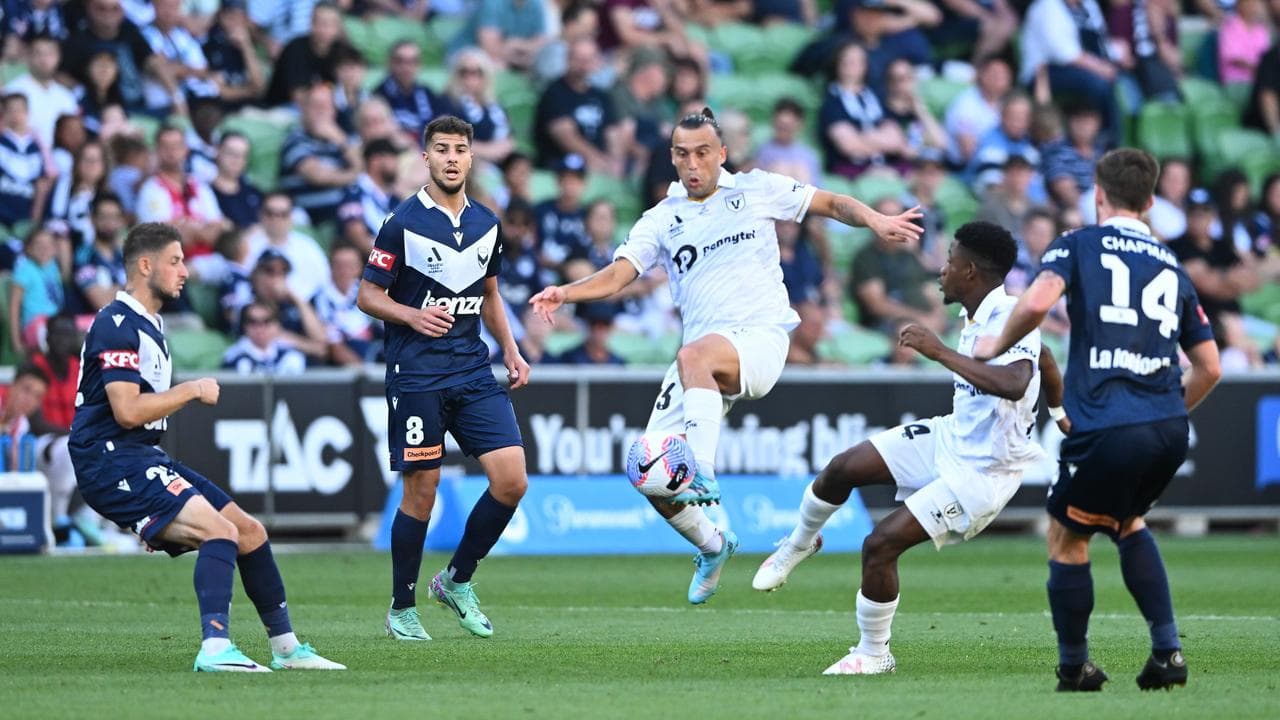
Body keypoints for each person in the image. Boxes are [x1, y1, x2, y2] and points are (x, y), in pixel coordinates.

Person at [529, 107, 923, 604]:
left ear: (721, 154)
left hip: (759, 337)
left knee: (691, 361)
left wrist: (874, 219)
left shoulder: (754, 190)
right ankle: (713, 546)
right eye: (682, 154)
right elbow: (618, 275)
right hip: (703, 359)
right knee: (648, 471)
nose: (692, 164)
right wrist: (565, 292)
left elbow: (830, 202)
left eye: (701, 153)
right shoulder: (662, 219)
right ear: (672, 158)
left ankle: (700, 467)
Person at [753, 221, 1066, 675]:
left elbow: (1017, 383)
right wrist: (1060, 415)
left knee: (879, 544)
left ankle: (874, 653)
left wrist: (938, 352)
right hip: (951, 437)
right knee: (842, 468)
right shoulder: (977, 316)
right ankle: (798, 545)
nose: (941, 269)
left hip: (983, 474)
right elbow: (1048, 362)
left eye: (950, 261)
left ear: (971, 271)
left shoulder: (1010, 313)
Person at [973, 148, 1222, 691]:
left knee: (1066, 536)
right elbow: (1210, 368)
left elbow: (1038, 302)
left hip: (1110, 424)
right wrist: (1162, 413)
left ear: (1098, 196)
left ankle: (1073, 667)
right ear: (1152, 201)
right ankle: (1168, 655)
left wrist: (996, 343)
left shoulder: (1078, 244)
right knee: (1127, 522)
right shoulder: (1171, 264)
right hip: (1167, 428)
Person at [67, 222, 344, 672]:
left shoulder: (150, 324)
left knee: (249, 531)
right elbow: (126, 411)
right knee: (220, 533)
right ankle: (215, 647)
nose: (185, 272)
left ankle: (287, 649)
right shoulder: (116, 324)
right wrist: (192, 389)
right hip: (109, 459)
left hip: (140, 455)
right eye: (175, 261)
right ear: (145, 264)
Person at [356, 115, 531, 641]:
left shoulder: (487, 223)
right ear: (425, 157)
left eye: (460, 149)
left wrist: (511, 347)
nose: (452, 158)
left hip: (472, 368)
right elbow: (367, 295)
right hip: (418, 375)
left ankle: (456, 580)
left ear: (472, 158)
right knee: (422, 491)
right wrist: (411, 315)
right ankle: (401, 608)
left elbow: (491, 292)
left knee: (512, 479)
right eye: (442, 149)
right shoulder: (401, 222)